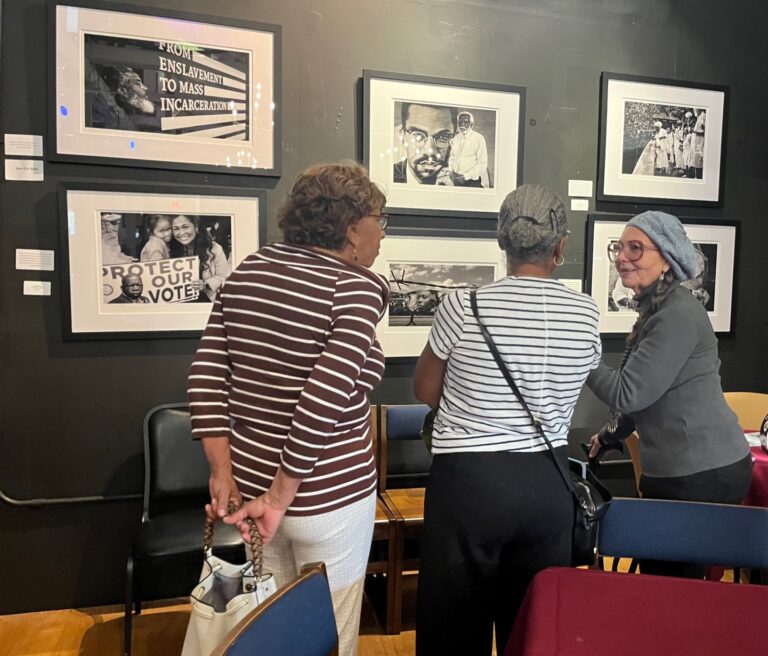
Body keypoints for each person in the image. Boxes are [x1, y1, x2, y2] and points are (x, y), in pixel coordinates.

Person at [190, 162, 389, 656]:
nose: (383, 233)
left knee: (270, 628)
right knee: (330, 633)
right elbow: (324, 401)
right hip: (327, 498)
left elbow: (206, 375)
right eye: (380, 220)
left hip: (253, 485)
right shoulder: (357, 288)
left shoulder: (251, 269)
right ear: (351, 227)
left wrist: (222, 472)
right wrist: (280, 498)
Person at [413, 184, 602, 655]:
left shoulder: (462, 306)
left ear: (503, 241)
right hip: (548, 482)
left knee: (453, 629)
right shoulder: (585, 312)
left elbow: (424, 390)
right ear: (560, 246)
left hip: (469, 484)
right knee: (531, 628)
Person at [587, 210, 752, 578]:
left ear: (667, 259)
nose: (622, 256)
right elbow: (648, 393)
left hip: (702, 474)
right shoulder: (658, 309)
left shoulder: (676, 314)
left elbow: (628, 393)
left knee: (674, 587)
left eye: (636, 248)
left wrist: (582, 357)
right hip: (684, 471)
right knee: (666, 580)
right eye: (620, 247)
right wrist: (610, 435)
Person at [169, 215, 231, 302]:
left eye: (185, 227)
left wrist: (205, 285)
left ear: (196, 227)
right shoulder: (170, 250)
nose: (181, 233)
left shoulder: (215, 249)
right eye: (176, 229)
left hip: (207, 302)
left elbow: (223, 277)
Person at [394, 102, 456, 185]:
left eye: (442, 137)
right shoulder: (386, 176)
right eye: (418, 136)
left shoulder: (466, 183)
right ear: (403, 137)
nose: (430, 152)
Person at [448, 111, 489, 187]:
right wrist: (451, 172)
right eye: (460, 122)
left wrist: (465, 176)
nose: (462, 124)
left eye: (465, 122)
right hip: (456, 181)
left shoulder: (479, 139)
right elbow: (452, 157)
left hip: (472, 182)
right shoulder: (456, 138)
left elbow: (482, 164)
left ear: (471, 124)